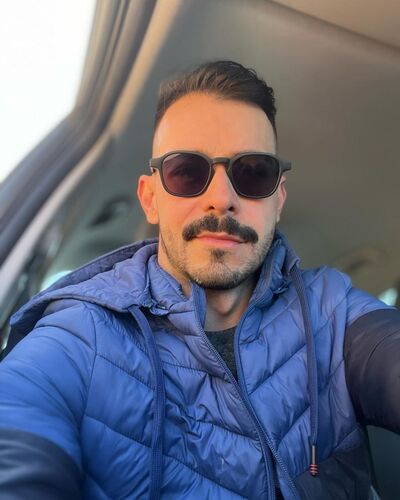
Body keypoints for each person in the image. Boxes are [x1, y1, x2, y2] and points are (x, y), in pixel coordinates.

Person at [0, 60, 399, 500]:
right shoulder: (79, 335)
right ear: (150, 199)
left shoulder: (332, 309)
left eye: (253, 173)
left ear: (278, 199)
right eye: (187, 171)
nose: (222, 198)